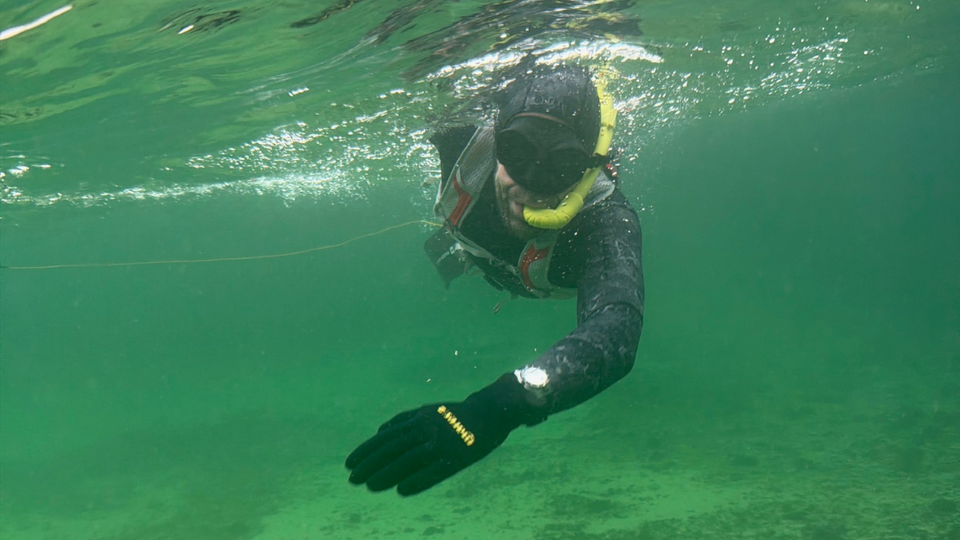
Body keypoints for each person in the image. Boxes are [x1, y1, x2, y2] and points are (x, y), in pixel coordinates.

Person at [345, 64, 644, 496]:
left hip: (529, 281)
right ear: (496, 136)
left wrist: (504, 403)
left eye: (561, 165)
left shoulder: (604, 220)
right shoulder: (463, 138)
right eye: (518, 152)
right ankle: (465, 256)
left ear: (588, 168)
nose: (530, 188)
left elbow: (616, 330)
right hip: (483, 258)